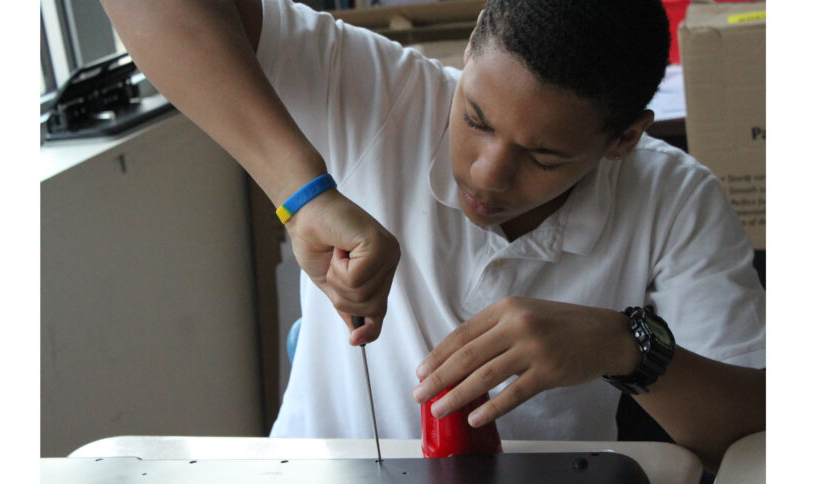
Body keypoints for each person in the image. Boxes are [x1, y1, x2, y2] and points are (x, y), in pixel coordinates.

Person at [102, 0, 765, 471]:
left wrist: (623, 346)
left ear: (624, 139)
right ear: (473, 45)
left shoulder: (677, 200)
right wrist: (302, 195)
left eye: (543, 157)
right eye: (475, 119)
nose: (486, 173)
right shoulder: (378, 92)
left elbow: (758, 432)